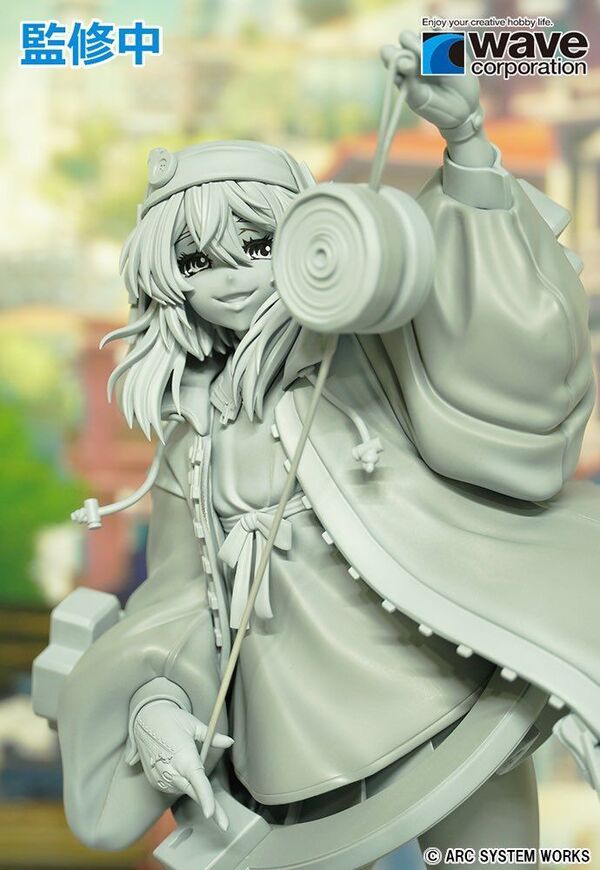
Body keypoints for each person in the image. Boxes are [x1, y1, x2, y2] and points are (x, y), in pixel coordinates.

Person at [55, 31, 599, 867]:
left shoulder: (366, 357)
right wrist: (156, 703)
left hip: (446, 697)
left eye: (259, 245)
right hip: (297, 753)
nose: (231, 277)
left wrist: (466, 145)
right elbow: (182, 597)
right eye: (197, 260)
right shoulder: (194, 434)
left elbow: (495, 350)